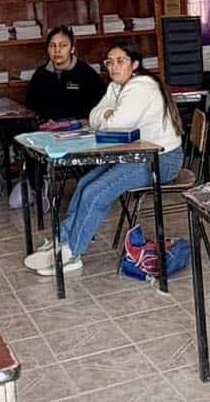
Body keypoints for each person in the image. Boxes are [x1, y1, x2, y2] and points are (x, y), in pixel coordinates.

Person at [23, 40, 183, 276]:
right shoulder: (116, 86)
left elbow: (117, 124)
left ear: (134, 64)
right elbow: (94, 116)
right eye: (110, 62)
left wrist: (108, 117)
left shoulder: (141, 86)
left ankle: (72, 254)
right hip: (135, 154)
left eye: (121, 61)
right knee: (84, 184)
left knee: (96, 192)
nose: (114, 67)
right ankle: (62, 241)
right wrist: (106, 116)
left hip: (161, 160)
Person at [24, 26, 106, 123]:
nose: (57, 50)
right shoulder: (40, 74)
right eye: (52, 46)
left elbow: (101, 106)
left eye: (63, 45)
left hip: (80, 127)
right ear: (48, 49)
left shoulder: (86, 73)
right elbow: (31, 108)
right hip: (48, 128)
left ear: (72, 49)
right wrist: (44, 121)